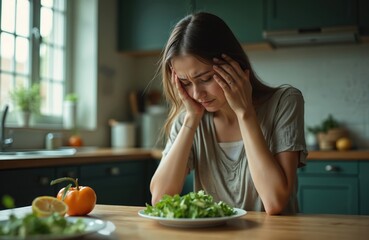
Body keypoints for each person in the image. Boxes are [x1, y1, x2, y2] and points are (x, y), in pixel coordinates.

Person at [149, 12, 307, 215]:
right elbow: (160, 199)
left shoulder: (285, 101)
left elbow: (275, 202)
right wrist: (191, 118)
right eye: (186, 83)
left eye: (206, 78)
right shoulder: (189, 117)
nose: (197, 94)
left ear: (235, 66)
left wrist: (245, 113)